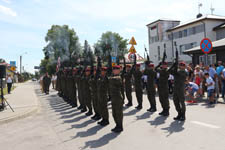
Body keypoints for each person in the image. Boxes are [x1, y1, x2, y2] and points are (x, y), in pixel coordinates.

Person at [109, 65, 124, 133]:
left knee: (118, 113)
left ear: (119, 70)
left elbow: (113, 80)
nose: (114, 70)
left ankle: (120, 126)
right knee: (114, 113)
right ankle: (117, 125)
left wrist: (109, 77)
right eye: (113, 69)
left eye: (116, 69)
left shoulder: (119, 77)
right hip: (113, 98)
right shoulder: (112, 77)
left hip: (118, 98)